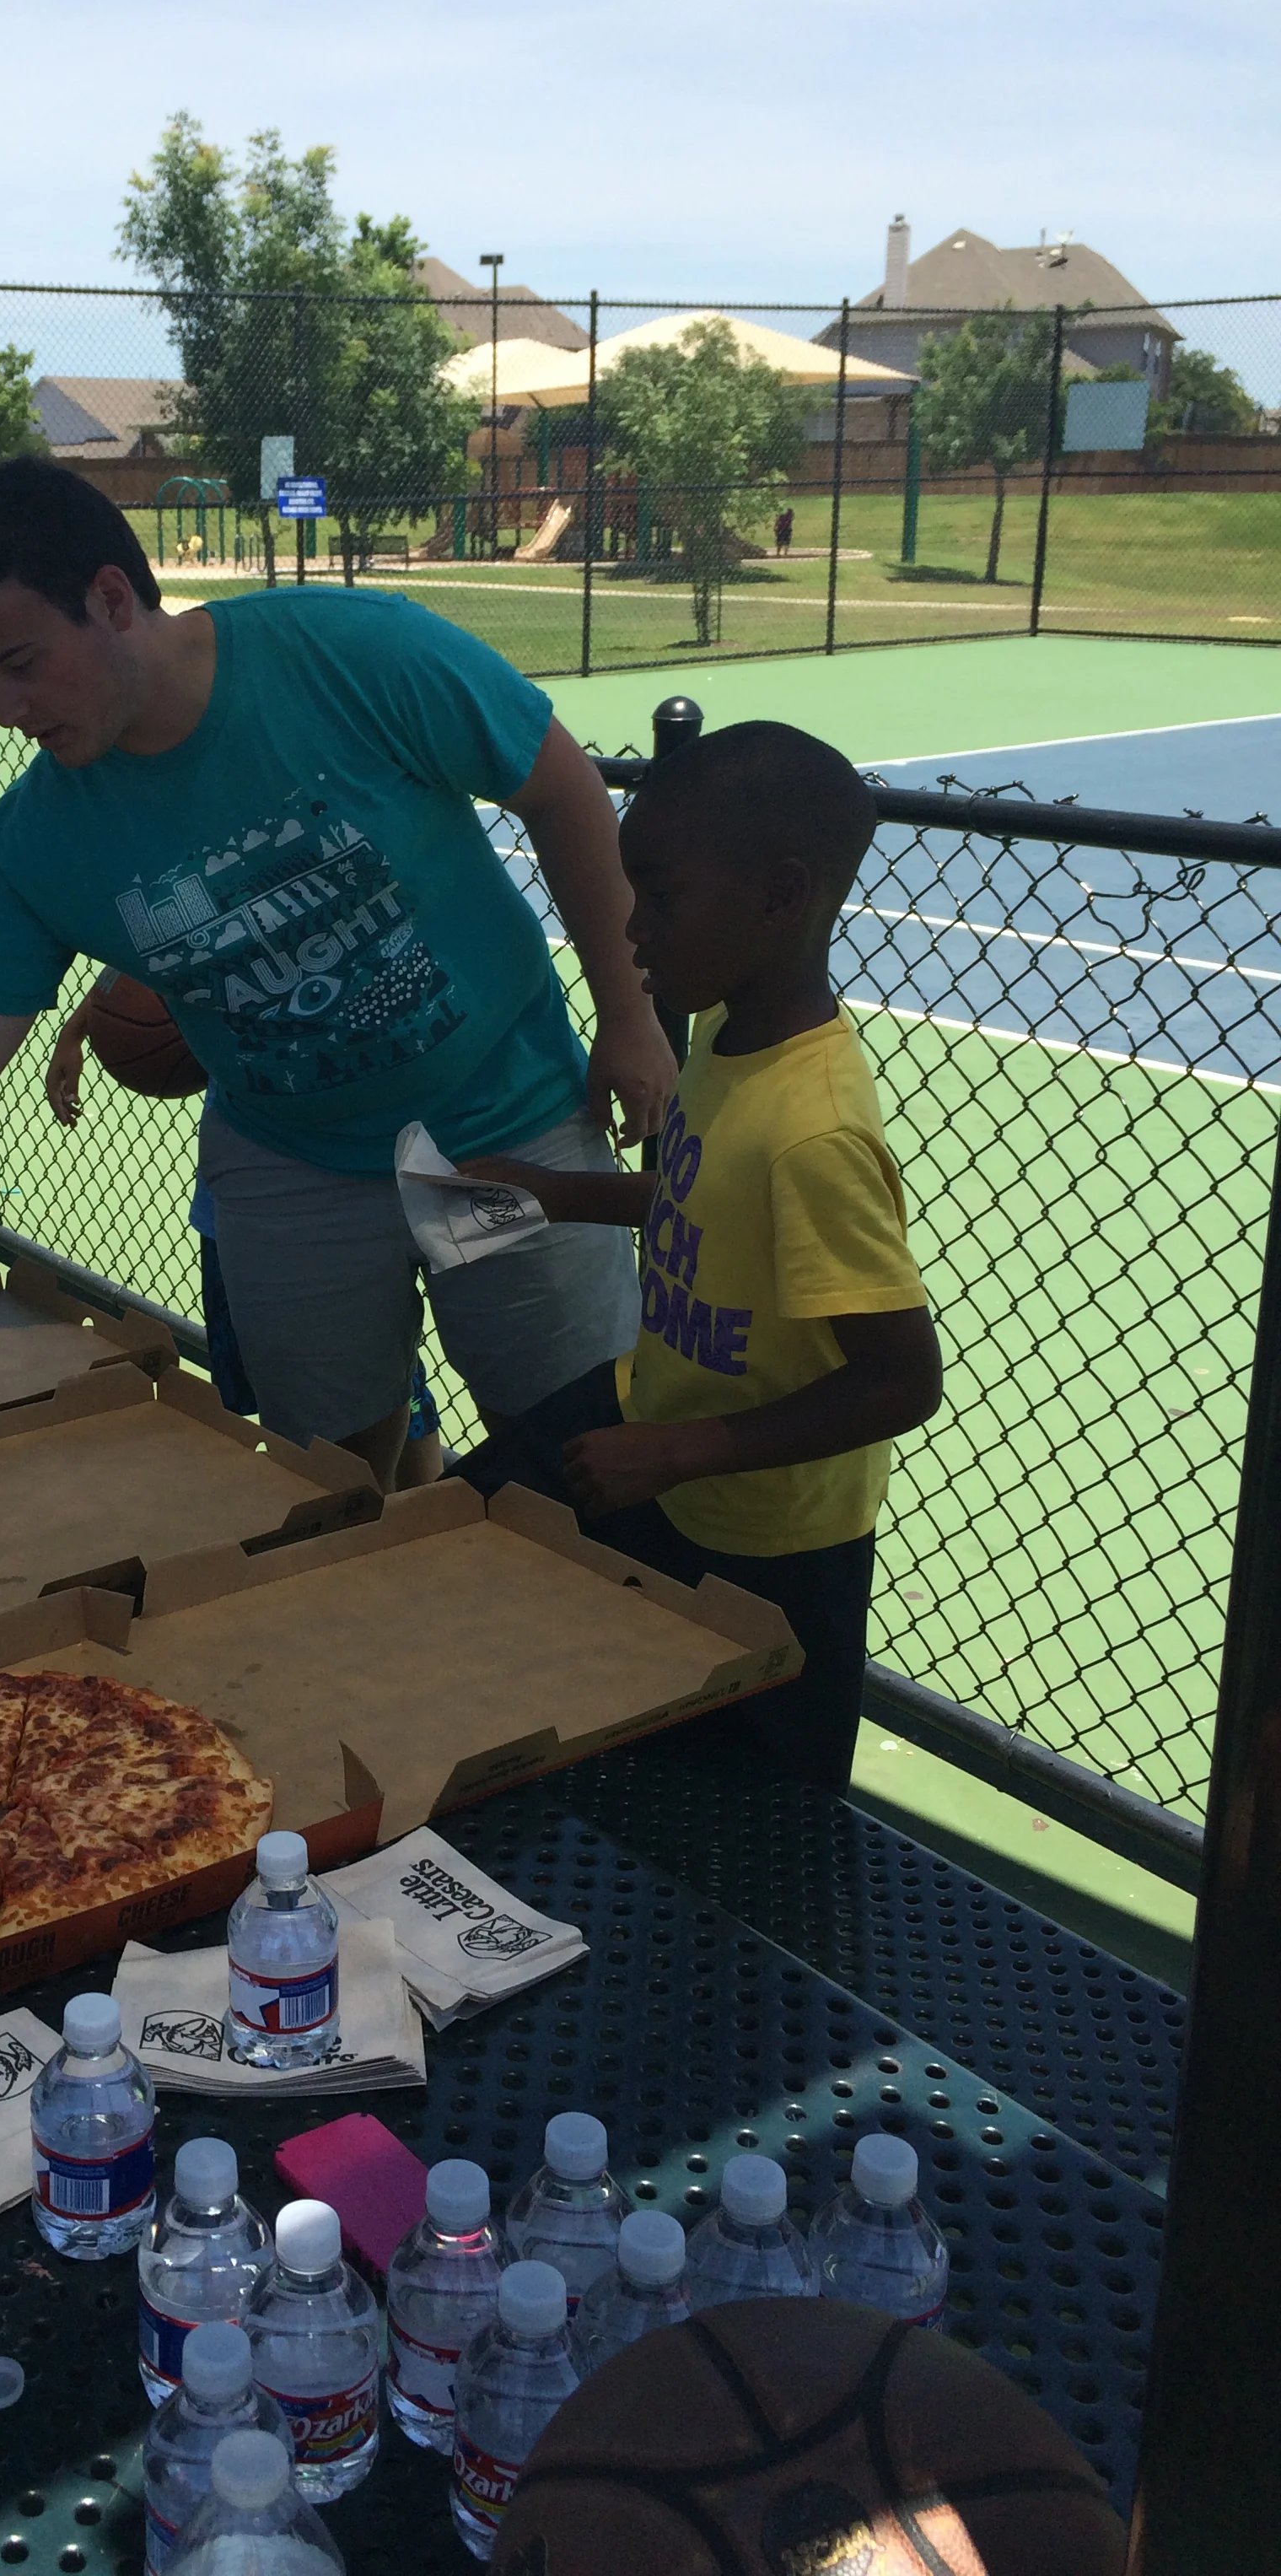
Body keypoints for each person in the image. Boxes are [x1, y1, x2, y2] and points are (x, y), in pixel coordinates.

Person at [0, 460, 675, 1488]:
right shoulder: (37, 841)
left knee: (562, 1450)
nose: (5, 708)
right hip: (294, 1158)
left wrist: (629, 1017)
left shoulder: (354, 652)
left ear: (112, 599)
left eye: (22, 662)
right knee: (330, 1471)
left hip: (506, 1116)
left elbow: (562, 790)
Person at [453, 722, 943, 1791]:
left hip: (772, 1538)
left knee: (758, 1807)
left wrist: (680, 1452)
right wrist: (555, 1195)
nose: (628, 930)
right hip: (657, 1428)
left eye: (661, 897)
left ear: (780, 895)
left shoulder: (814, 1134)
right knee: (455, 1527)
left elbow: (901, 1381)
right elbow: (700, 1198)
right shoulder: (727, 1034)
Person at [45, 973, 444, 1487]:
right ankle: (392, 1522)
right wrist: (78, 1029)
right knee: (328, 1396)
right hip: (245, 1195)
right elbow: (148, 969)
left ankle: (407, 1521)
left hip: (330, 1181)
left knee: (380, 1392)